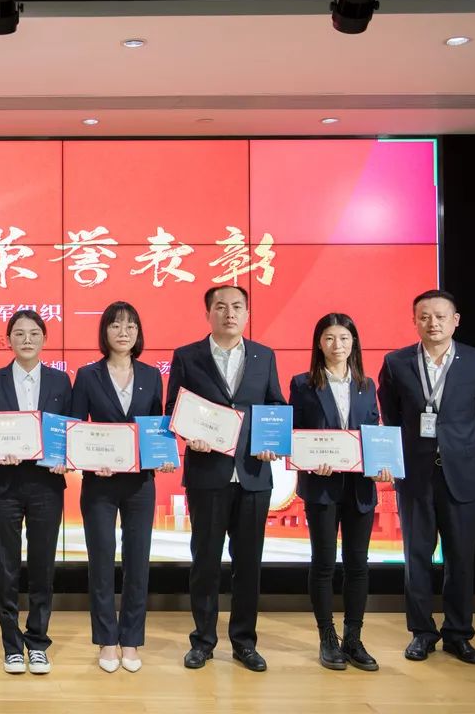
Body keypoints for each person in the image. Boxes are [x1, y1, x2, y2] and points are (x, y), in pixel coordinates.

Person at [165, 285, 285, 673]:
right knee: (205, 562)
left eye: (237, 307)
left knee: (248, 565)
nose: (229, 313)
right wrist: (188, 434)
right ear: (208, 314)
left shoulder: (264, 355)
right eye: (221, 307)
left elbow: (275, 405)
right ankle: (202, 641)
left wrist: (271, 442)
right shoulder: (187, 356)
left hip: (253, 474)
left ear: (247, 314)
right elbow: (173, 407)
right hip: (207, 473)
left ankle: (244, 643)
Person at [378, 289, 475, 665]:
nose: (433, 323)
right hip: (416, 475)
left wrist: (456, 448)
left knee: (461, 558)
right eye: (425, 316)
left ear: (455, 321)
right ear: (414, 321)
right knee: (416, 558)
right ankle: (422, 633)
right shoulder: (396, 363)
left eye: (441, 316)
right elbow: (391, 417)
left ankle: (458, 634)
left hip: (464, 475)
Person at [70, 301, 172, 673]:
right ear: (105, 332)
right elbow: (75, 428)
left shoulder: (151, 375)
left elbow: (157, 426)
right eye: (116, 325)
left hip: (140, 483)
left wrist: (163, 455)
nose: (123, 332)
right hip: (99, 482)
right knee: (101, 561)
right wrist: (88, 460)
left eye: (131, 325)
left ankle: (130, 640)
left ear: (138, 333)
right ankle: (106, 641)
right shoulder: (87, 375)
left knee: (137, 562)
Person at [290, 313, 391, 671]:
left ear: (354, 343)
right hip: (321, 485)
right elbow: (296, 434)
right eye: (330, 338)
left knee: (358, 564)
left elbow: (374, 430)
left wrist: (383, 463)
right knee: (323, 563)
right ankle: (327, 638)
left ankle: (353, 638)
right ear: (319, 343)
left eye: (345, 338)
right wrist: (309, 460)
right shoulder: (303, 384)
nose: (338, 345)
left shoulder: (366, 385)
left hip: (360, 486)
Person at [0, 310, 72, 675]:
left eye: (34, 333)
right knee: (6, 566)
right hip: (3, 484)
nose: (27, 339)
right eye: (19, 333)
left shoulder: (61, 381)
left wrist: (65, 457)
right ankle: (11, 645)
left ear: (44, 338)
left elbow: (69, 429)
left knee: (43, 565)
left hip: (46, 484)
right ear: (9, 340)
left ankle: (38, 641)